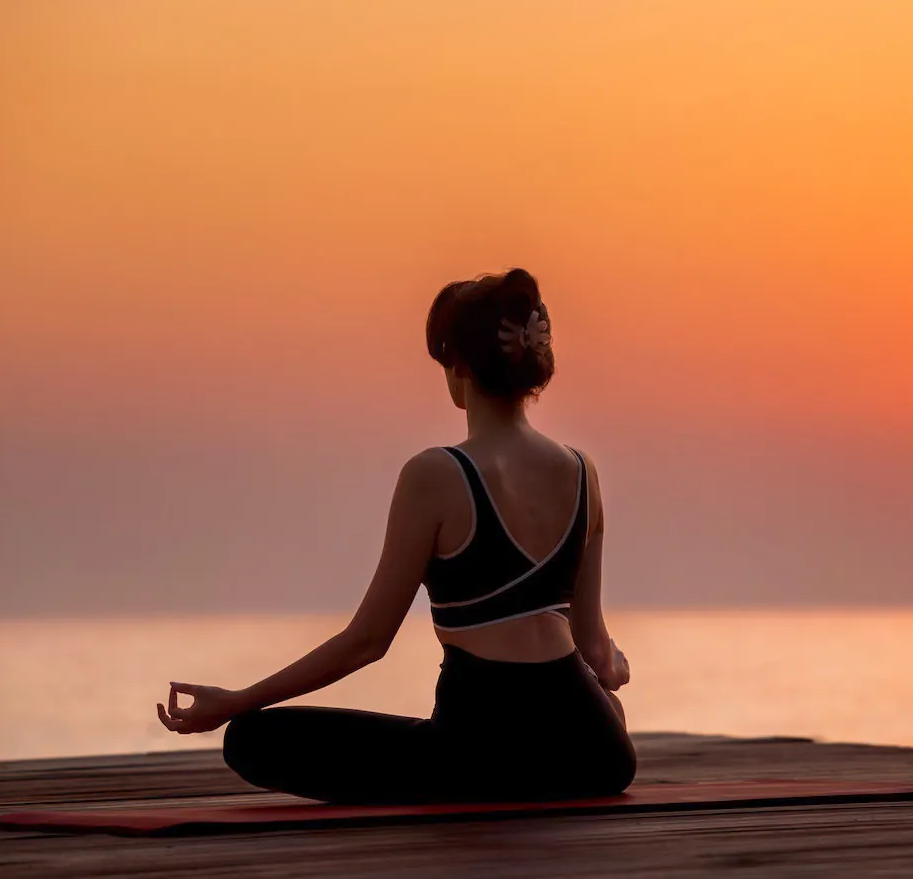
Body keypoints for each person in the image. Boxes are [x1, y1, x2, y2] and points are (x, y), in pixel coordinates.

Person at [156, 268, 636, 804]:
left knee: (251, 738)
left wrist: (239, 700)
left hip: (474, 755)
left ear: (459, 367)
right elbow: (594, 648)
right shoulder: (581, 471)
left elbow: (368, 641)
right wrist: (611, 671)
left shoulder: (436, 475)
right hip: (594, 754)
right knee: (604, 711)